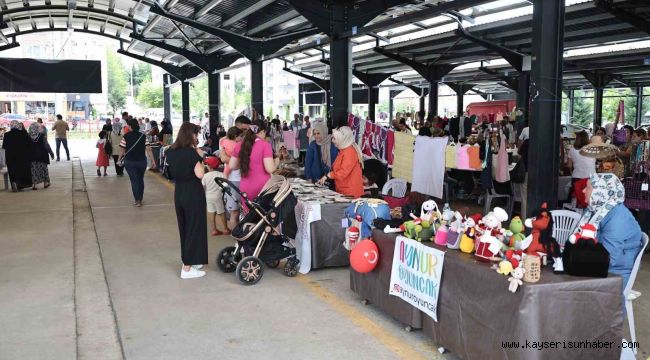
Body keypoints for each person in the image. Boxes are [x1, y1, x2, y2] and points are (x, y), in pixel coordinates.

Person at [581, 173, 643, 288]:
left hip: (617, 272)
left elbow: (608, 257)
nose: (583, 191)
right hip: (604, 263)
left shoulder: (617, 217)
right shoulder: (596, 210)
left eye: (588, 187)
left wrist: (579, 260)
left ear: (600, 192)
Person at [165, 123, 208, 279]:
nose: (196, 137)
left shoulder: (171, 151)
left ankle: (192, 260)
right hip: (193, 193)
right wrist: (201, 158)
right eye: (195, 134)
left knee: (185, 227)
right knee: (194, 228)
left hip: (179, 193)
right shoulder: (192, 153)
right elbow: (200, 174)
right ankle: (187, 268)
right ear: (190, 135)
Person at [229, 119, 276, 203]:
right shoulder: (265, 145)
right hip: (263, 188)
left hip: (245, 188)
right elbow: (270, 169)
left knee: (249, 215)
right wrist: (277, 161)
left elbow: (232, 166)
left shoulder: (239, 145)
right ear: (262, 131)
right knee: (263, 215)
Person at [316, 126, 364, 198]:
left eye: (335, 138)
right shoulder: (344, 149)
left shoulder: (349, 151)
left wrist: (328, 176)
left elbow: (343, 172)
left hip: (351, 193)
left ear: (343, 139)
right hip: (344, 190)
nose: (332, 140)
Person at [219, 126, 244, 230]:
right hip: (234, 180)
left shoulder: (224, 142)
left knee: (238, 212)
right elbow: (223, 158)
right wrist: (236, 161)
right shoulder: (237, 144)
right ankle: (237, 237)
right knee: (235, 212)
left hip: (239, 180)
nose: (242, 138)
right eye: (240, 136)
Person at [119, 118, 147, 206]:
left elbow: (122, 149)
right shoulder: (143, 136)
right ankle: (140, 198)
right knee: (140, 179)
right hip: (142, 161)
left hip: (129, 161)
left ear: (130, 126)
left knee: (134, 180)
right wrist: (153, 161)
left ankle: (137, 200)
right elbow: (149, 149)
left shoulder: (126, 136)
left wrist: (119, 159)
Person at [202, 156, 230, 236]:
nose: (206, 165)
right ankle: (225, 229)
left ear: (209, 166)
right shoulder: (221, 174)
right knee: (221, 212)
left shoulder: (205, 176)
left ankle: (214, 230)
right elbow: (226, 185)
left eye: (207, 164)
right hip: (218, 196)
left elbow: (203, 187)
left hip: (208, 196)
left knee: (211, 212)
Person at [566, 131, 595, 204]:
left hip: (576, 176)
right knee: (589, 199)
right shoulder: (593, 149)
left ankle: (574, 214)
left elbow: (569, 165)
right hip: (591, 177)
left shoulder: (572, 150)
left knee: (576, 200)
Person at [2, 121, 32, 191]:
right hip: (22, 156)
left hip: (10, 156)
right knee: (21, 170)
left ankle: (14, 182)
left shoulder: (7, 134)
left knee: (12, 171)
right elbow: (29, 145)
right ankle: (19, 184)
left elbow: (4, 146)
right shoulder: (23, 134)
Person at [28, 122, 52, 190]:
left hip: (32, 156)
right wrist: (51, 152)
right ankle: (46, 183)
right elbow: (46, 145)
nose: (39, 128)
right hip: (42, 155)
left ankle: (34, 185)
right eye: (39, 127)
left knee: (34, 170)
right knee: (43, 169)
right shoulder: (42, 136)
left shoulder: (28, 136)